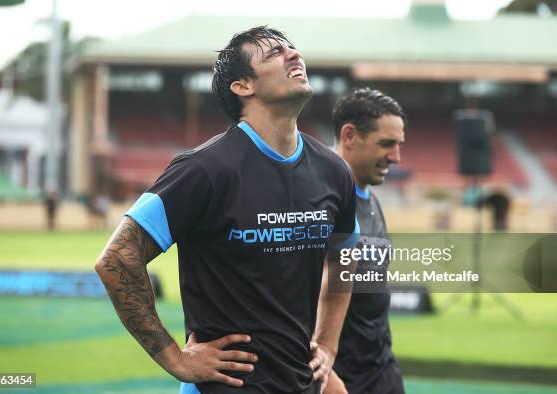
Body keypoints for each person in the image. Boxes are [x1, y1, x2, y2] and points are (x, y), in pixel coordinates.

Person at [95, 26, 359, 394]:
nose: (294, 56)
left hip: (302, 383)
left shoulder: (334, 172)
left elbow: (347, 256)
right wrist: (175, 359)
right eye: (274, 54)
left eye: (293, 49)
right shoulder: (203, 169)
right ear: (242, 86)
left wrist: (328, 344)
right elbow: (116, 260)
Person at [325, 88, 406, 394]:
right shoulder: (316, 203)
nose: (396, 157)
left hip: (381, 372)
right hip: (338, 379)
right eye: (386, 144)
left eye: (399, 145)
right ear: (349, 135)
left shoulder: (371, 199)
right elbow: (292, 303)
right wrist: (327, 379)